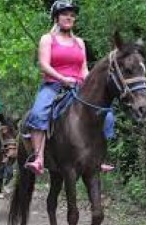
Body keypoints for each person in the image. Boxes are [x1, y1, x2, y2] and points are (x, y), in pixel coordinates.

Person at [24, 0, 114, 175]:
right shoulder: (47, 39)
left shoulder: (79, 42)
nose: (69, 18)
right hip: (54, 85)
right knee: (38, 112)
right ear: (56, 18)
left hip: (79, 86)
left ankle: (99, 158)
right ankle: (38, 158)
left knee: (106, 113)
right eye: (65, 14)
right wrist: (62, 78)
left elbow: (83, 68)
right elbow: (44, 64)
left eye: (72, 15)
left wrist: (91, 85)